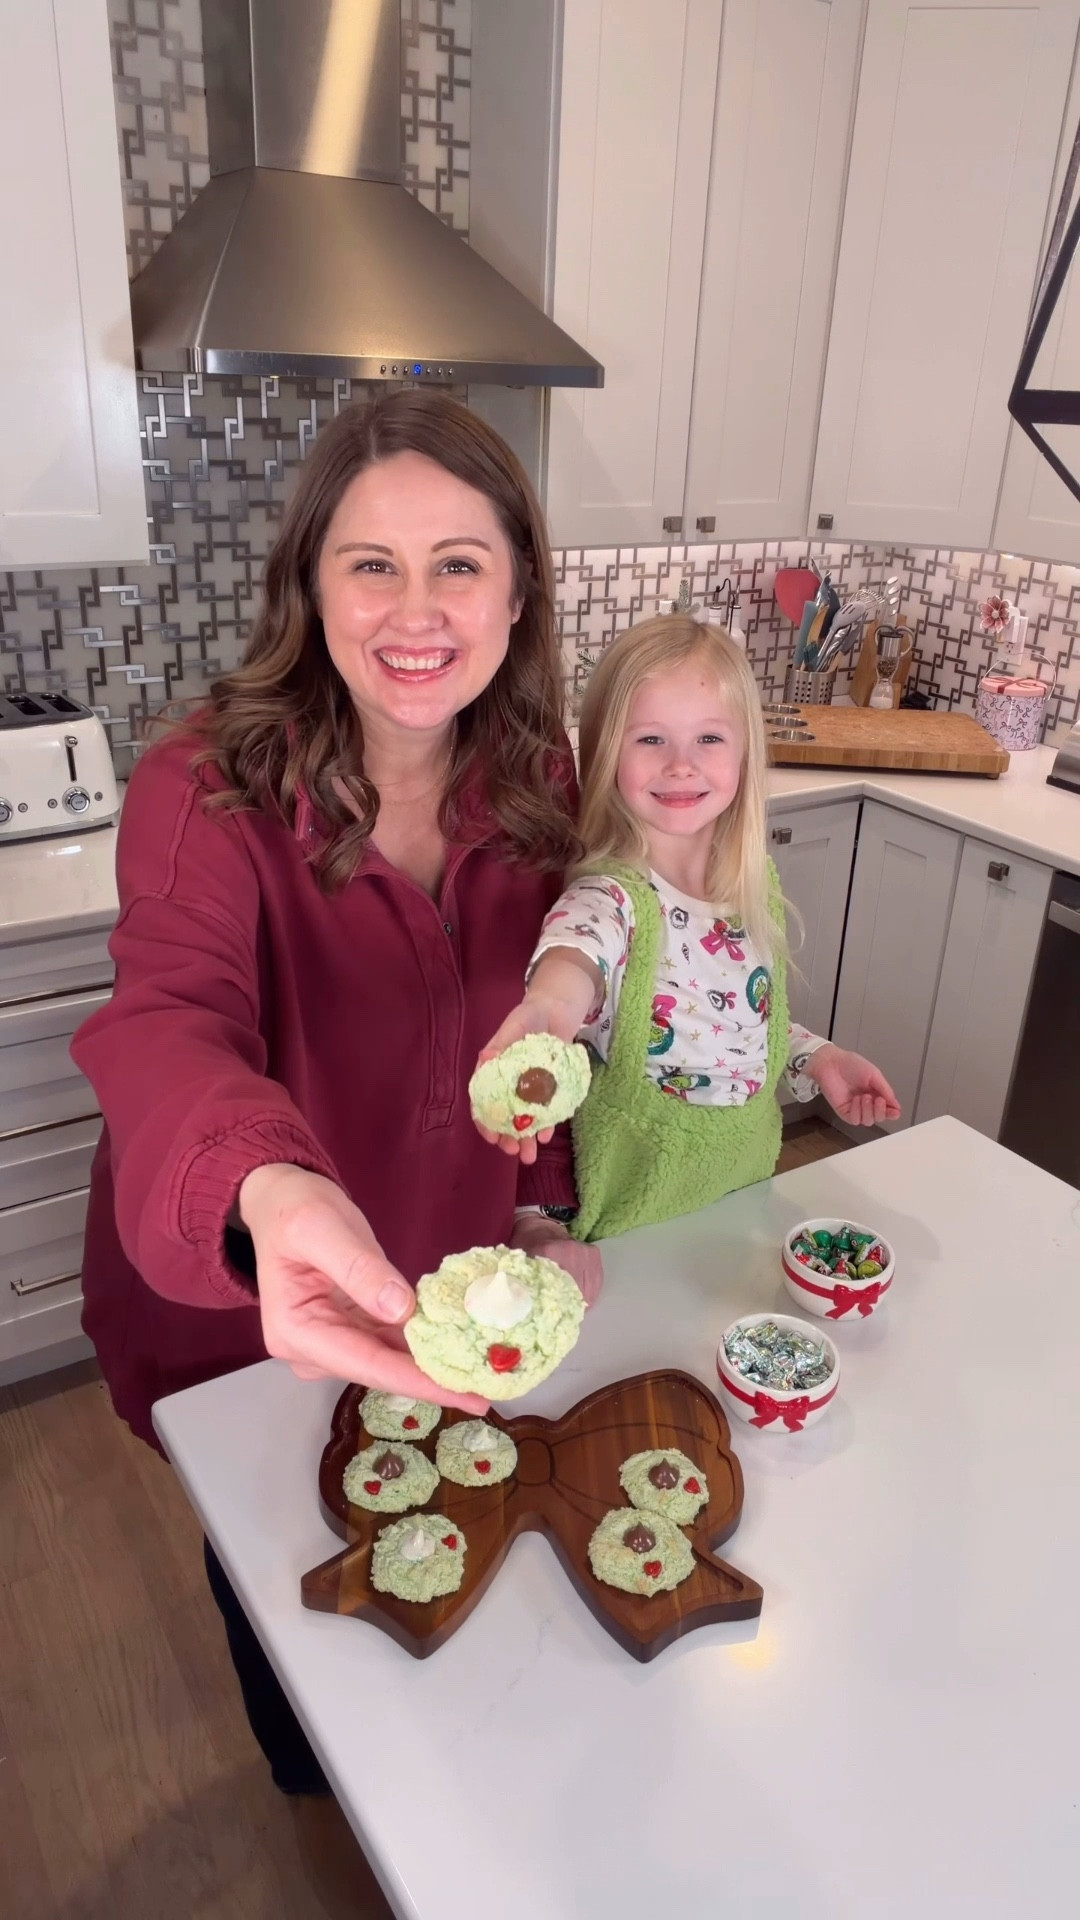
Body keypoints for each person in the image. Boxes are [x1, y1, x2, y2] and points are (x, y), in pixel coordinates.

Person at [71, 391, 602, 1806]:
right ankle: (306, 1779)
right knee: (283, 1575)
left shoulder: (543, 785)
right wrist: (268, 1183)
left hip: (449, 1272)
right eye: (372, 563)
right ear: (310, 587)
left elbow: (548, 1042)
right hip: (253, 1294)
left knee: (437, 1560)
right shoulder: (204, 786)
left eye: (459, 564)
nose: (416, 610)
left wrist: (542, 1210)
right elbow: (169, 1023)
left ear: (518, 593)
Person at [476, 613, 900, 1239]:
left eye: (708, 738)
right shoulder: (613, 894)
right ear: (607, 751)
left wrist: (819, 1058)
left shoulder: (752, 885)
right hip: (636, 1224)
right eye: (651, 739)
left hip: (743, 1195)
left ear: (745, 751)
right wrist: (549, 1006)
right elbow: (577, 951)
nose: (681, 764)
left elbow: (734, 1023)